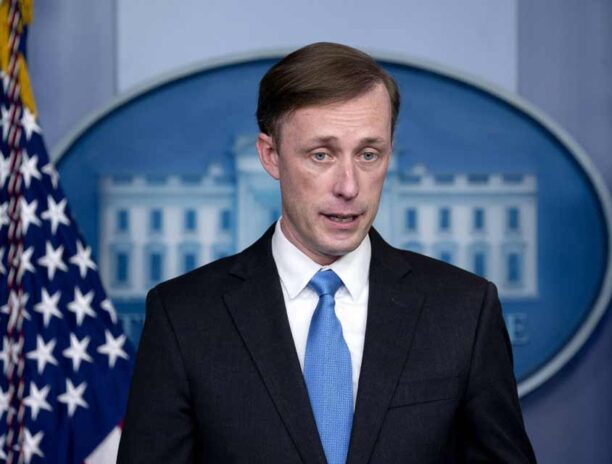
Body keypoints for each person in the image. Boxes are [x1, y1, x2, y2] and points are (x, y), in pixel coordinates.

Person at [117, 42, 536, 464]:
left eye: (368, 154)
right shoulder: (183, 316)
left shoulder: (465, 310)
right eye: (321, 155)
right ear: (270, 156)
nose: (349, 187)